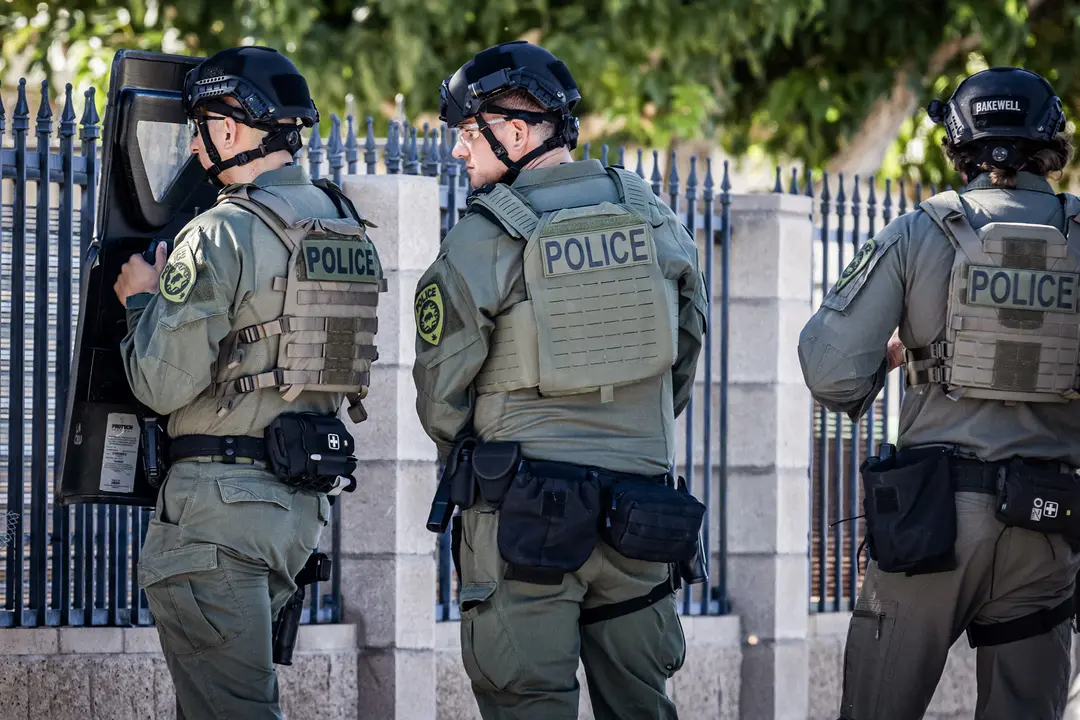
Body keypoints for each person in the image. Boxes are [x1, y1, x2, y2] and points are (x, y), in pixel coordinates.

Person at [412, 40, 709, 719]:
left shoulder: (483, 237)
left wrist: (476, 455)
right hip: (642, 514)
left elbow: (441, 392)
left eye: (467, 133)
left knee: (528, 704)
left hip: (525, 517)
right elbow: (685, 355)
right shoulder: (655, 218)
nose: (461, 152)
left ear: (514, 131)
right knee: (641, 706)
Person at [799, 66, 1080, 720]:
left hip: (932, 521)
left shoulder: (919, 232)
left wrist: (896, 360)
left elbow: (829, 370)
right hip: (1048, 519)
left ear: (958, 143)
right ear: (1051, 142)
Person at [113, 46, 383, 719]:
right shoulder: (346, 230)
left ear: (230, 129)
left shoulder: (220, 234)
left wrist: (141, 301)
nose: (196, 148)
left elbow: (158, 383)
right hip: (294, 511)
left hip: (217, 517)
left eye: (198, 128)